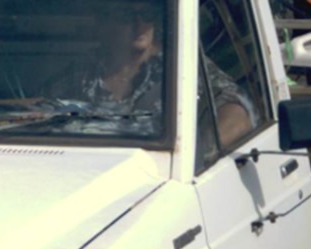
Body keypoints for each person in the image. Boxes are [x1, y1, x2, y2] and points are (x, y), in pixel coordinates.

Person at [41, 0, 253, 145]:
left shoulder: (181, 67)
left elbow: (237, 110)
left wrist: (200, 153)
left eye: (148, 14)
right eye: (127, 15)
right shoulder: (83, 73)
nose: (140, 24)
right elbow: (40, 110)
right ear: (102, 23)